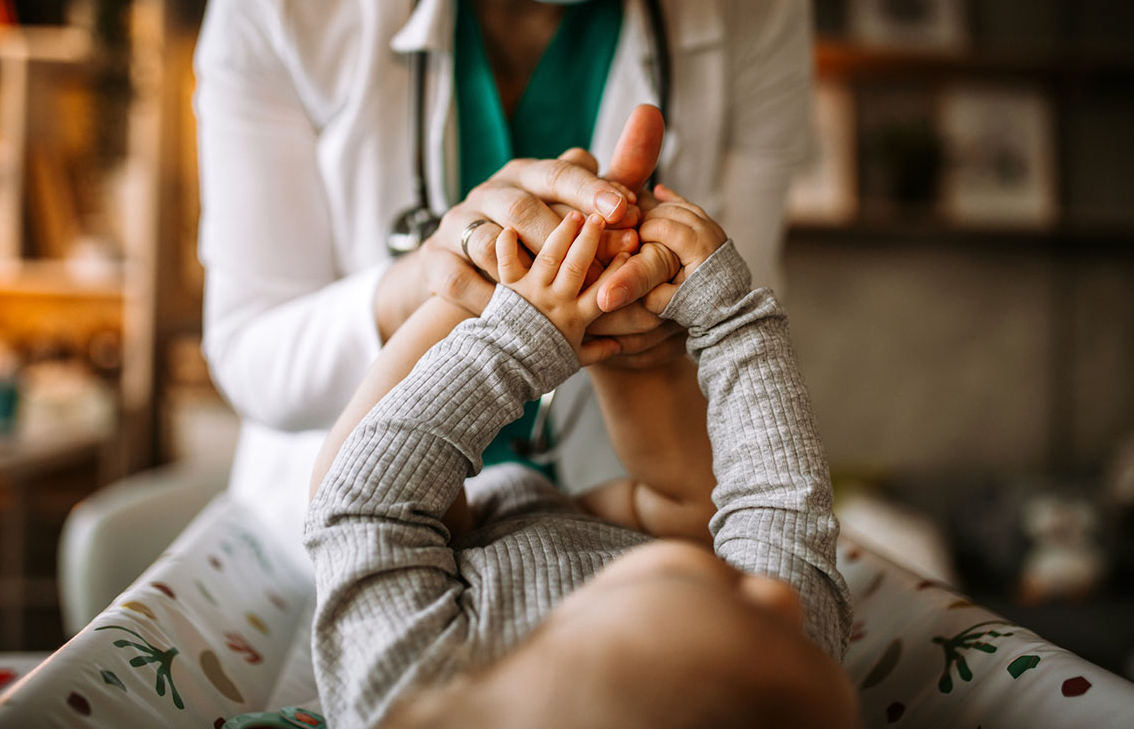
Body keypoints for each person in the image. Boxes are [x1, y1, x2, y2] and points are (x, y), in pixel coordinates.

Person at [195, 0, 816, 565]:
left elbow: (359, 505)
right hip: (606, 531)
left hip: (429, 538)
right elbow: (726, 527)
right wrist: (626, 318)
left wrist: (477, 292)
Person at [304, 191, 853, 727]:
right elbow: (778, 513)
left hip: (434, 548)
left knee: (353, 492)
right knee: (697, 522)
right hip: (625, 524)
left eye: (727, 594)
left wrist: (514, 332)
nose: (782, 597)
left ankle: (475, 295)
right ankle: (626, 329)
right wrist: (730, 318)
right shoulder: (788, 675)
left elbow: (362, 508)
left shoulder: (411, 694)